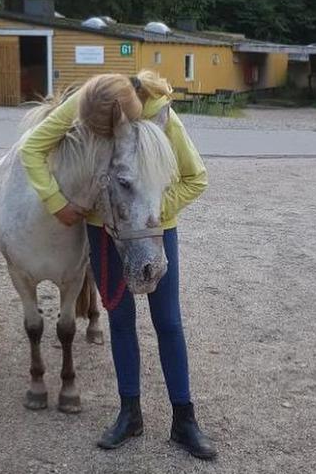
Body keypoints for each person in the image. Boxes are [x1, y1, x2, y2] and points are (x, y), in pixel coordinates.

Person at [19, 70, 217, 460]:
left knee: (169, 321)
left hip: (154, 231)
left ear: (125, 119)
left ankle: (184, 419)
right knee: (120, 320)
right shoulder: (86, 103)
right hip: (101, 230)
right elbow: (31, 149)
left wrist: (146, 211)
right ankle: (130, 414)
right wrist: (57, 202)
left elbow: (197, 178)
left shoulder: (162, 115)